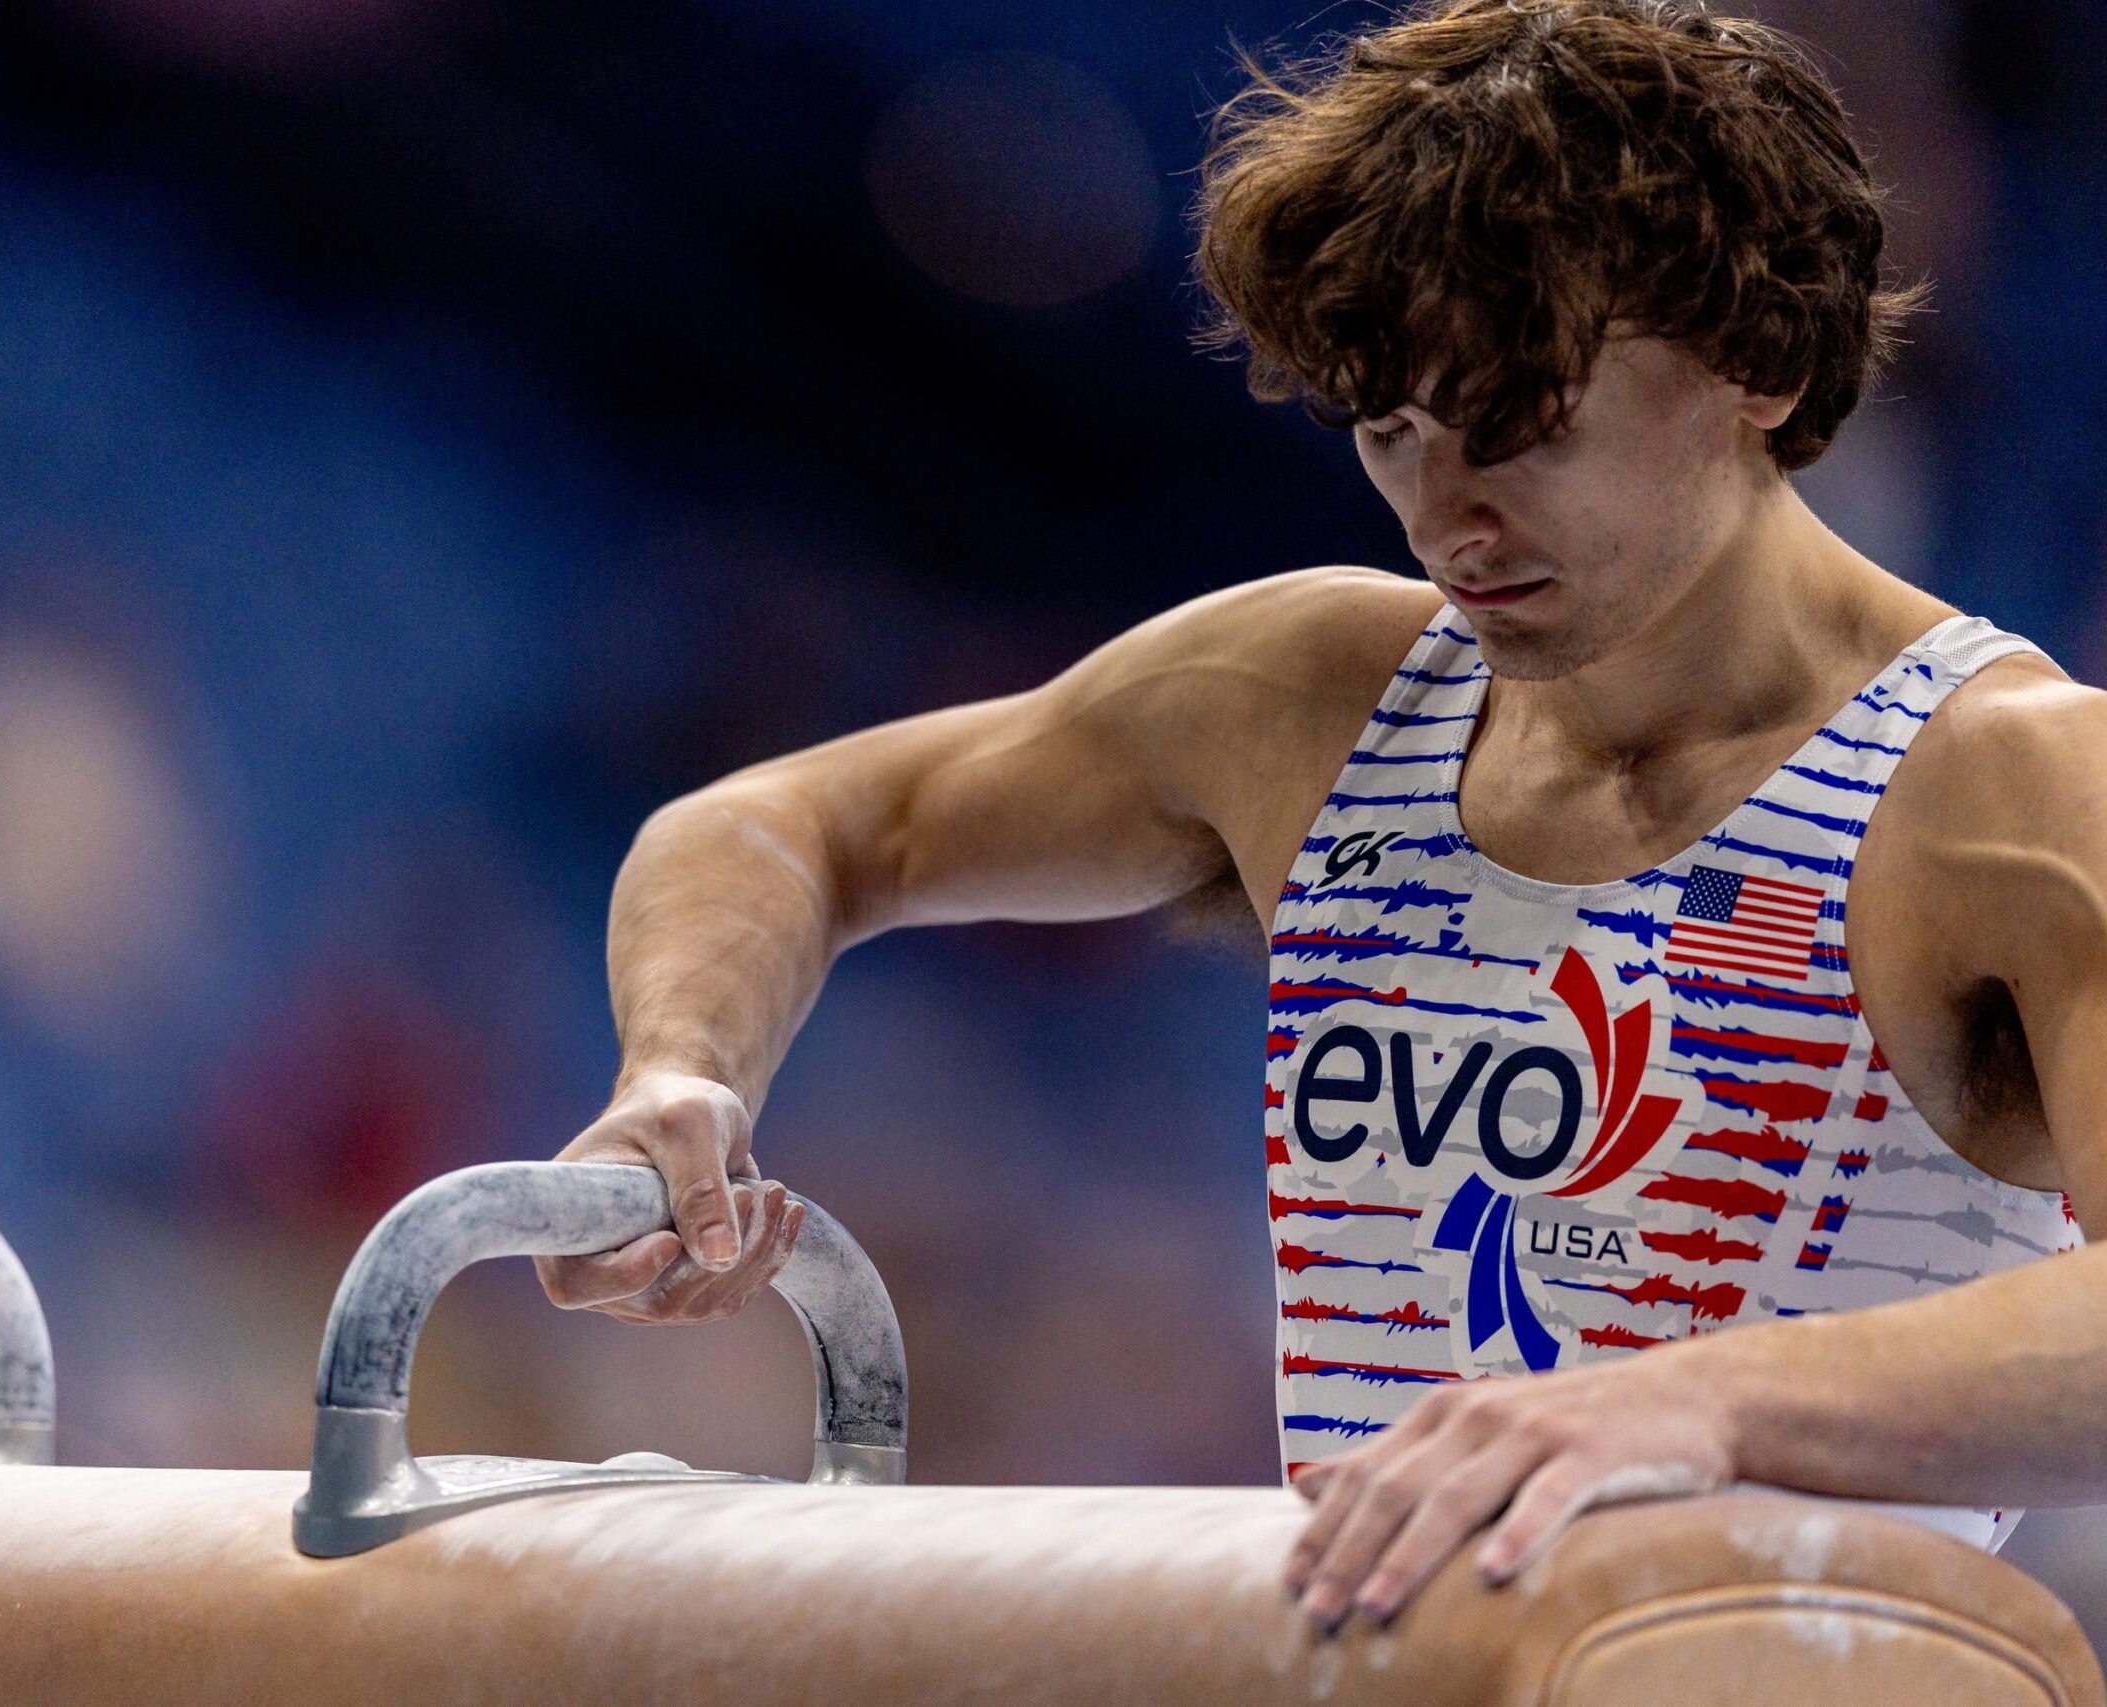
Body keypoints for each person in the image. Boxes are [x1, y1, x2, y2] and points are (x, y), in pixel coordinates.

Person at [532, 0, 2107, 1631]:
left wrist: (1692, 1402)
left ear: (1760, 366)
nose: (1448, 518)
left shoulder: (2011, 792)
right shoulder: (1315, 700)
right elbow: (787, 826)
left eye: (1519, 428)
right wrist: (682, 1071)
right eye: (1391, 433)